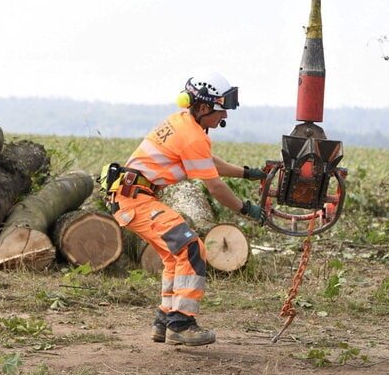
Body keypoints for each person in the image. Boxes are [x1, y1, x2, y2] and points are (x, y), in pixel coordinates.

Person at [101, 71, 267, 346]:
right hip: (136, 199)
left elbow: (209, 162)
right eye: (221, 110)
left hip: (134, 197)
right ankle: (182, 324)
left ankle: (165, 322)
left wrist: (248, 173)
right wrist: (246, 209)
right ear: (203, 107)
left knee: (175, 257)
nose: (224, 117)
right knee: (192, 248)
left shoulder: (185, 124)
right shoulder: (191, 135)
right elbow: (215, 186)